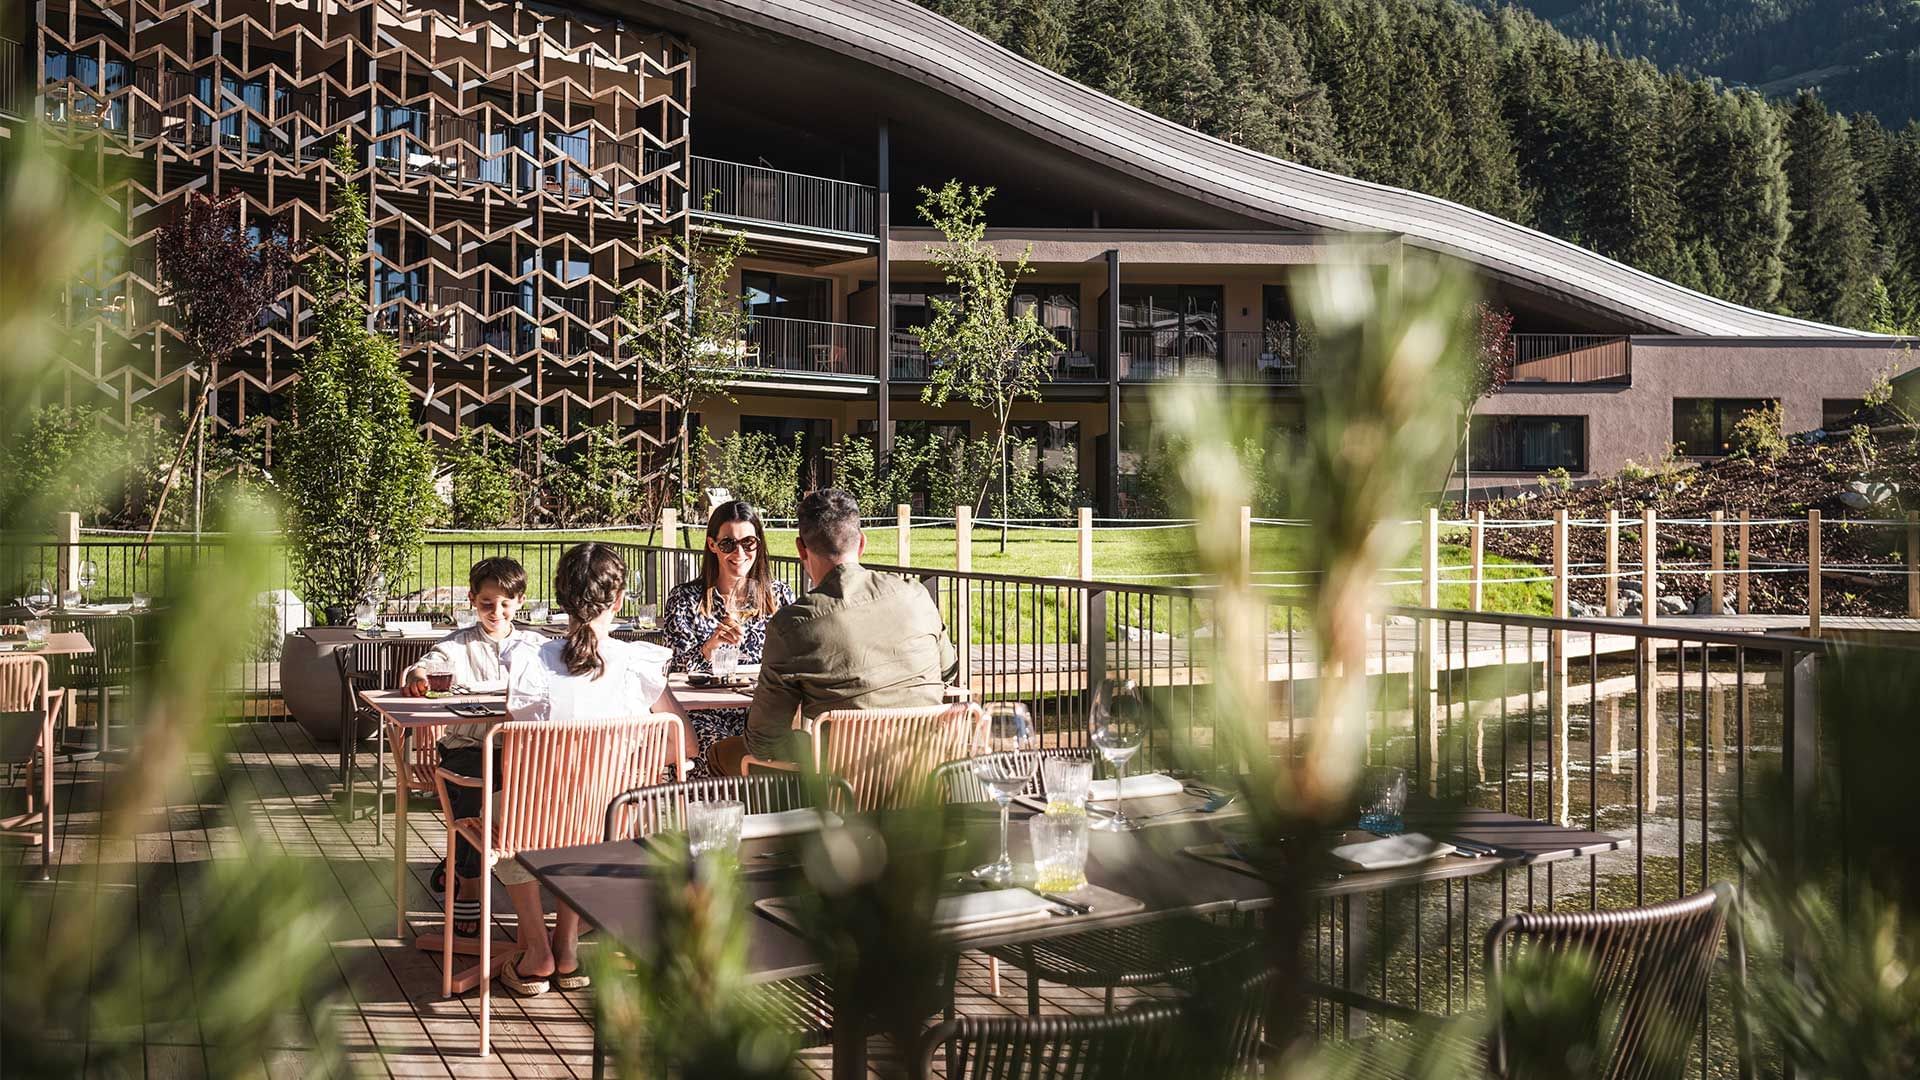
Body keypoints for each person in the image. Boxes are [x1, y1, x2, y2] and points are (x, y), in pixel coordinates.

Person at [483, 543, 689, 998]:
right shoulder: (639, 663)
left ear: (560, 599)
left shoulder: (531, 662)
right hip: (615, 823)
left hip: (539, 824)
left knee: (508, 811)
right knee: (581, 812)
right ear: (618, 601)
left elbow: (521, 744)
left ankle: (537, 950)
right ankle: (568, 945)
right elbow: (683, 743)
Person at [708, 488, 958, 777]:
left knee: (721, 753)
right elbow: (949, 671)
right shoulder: (916, 595)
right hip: (924, 772)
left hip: (842, 783)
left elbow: (764, 742)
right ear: (861, 543)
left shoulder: (794, 624)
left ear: (801, 549)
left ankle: (762, 822)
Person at [404, 557, 545, 917]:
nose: (496, 612)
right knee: (473, 788)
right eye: (487, 604)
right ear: (472, 600)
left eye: (504, 604)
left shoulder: (534, 645)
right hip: (467, 744)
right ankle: (469, 885)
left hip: (519, 746)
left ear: (520, 602)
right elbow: (427, 663)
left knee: (546, 788)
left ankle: (467, 862)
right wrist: (419, 676)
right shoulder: (459, 644)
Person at [662, 500, 795, 776]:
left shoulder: (778, 596)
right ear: (712, 545)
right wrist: (707, 649)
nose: (739, 552)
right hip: (704, 714)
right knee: (713, 744)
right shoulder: (686, 599)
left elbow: (793, 661)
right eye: (728, 544)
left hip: (763, 713)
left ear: (758, 544)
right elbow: (670, 670)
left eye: (748, 543)